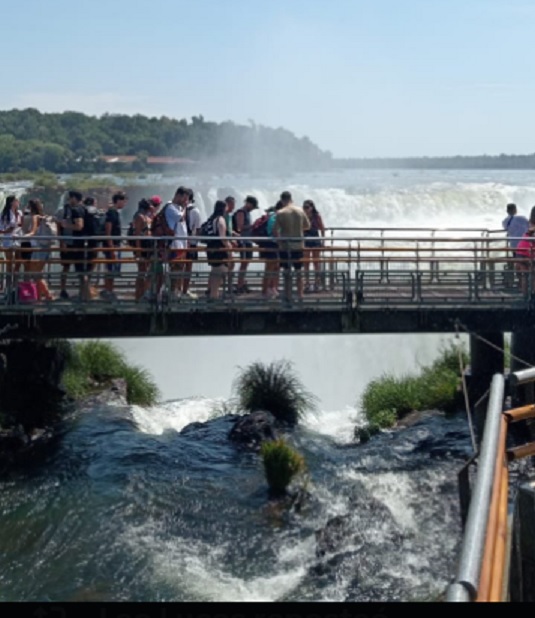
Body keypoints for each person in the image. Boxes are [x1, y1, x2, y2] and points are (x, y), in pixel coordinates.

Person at [274, 190, 310, 304]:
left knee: (287, 272)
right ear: (291, 199)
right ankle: (300, 295)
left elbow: (275, 230)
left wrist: (280, 241)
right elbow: (307, 226)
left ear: (282, 200)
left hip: (285, 246)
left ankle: (288, 296)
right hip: (298, 245)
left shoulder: (280, 213)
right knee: (299, 271)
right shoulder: (300, 210)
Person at [58, 190, 91, 301]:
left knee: (73, 269)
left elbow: (79, 226)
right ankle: (84, 294)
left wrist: (66, 225)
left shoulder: (76, 210)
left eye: (70, 197)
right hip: (77, 243)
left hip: (74, 244)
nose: (68, 199)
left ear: (74, 198)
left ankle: (84, 294)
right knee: (79, 270)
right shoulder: (83, 208)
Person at [20, 199, 54, 300]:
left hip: (38, 248)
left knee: (36, 274)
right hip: (44, 247)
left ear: (31, 207)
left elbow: (33, 232)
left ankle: (48, 296)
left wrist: (21, 237)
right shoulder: (42, 216)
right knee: (38, 273)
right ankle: (39, 297)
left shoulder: (35, 217)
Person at [162, 186, 189, 301]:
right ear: (178, 195)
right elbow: (181, 218)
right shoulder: (170, 207)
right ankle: (172, 292)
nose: (185, 201)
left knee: (180, 268)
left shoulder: (177, 207)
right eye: (184, 198)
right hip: (175, 244)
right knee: (175, 268)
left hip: (181, 244)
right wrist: (185, 208)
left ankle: (176, 291)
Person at [101, 191, 127, 301]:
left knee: (112, 269)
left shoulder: (115, 212)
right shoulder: (112, 213)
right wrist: (111, 248)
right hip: (111, 246)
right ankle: (108, 290)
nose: (125, 204)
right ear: (119, 201)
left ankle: (109, 289)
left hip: (115, 245)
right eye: (124, 201)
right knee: (110, 268)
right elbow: (108, 231)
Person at [205, 200, 232, 299]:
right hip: (219, 250)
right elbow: (222, 237)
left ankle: (212, 293)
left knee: (215, 270)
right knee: (220, 271)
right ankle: (214, 296)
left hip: (211, 248)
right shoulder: (220, 219)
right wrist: (229, 247)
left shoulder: (211, 219)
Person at [232, 195, 259, 293]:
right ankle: (239, 284)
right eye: (253, 206)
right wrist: (252, 226)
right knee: (243, 263)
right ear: (248, 203)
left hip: (248, 241)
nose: (252, 209)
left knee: (246, 263)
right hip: (243, 241)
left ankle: (242, 282)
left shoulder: (247, 213)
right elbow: (240, 227)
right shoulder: (241, 212)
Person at [131, 198, 154, 301]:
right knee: (141, 272)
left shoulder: (146, 216)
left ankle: (144, 293)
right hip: (142, 248)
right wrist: (138, 251)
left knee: (145, 271)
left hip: (147, 248)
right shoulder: (139, 217)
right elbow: (137, 235)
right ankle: (139, 295)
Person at [0, 195, 23, 291]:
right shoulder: (5, 214)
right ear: (11, 202)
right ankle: (8, 286)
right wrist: (6, 231)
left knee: (18, 261)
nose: (18, 202)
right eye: (16, 201)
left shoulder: (19, 212)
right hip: (8, 240)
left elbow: (21, 225)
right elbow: (2, 228)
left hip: (18, 239)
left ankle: (15, 283)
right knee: (10, 263)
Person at [182, 188, 202, 298]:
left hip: (179, 243)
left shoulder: (178, 209)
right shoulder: (195, 211)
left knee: (178, 267)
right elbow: (198, 229)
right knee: (188, 268)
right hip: (192, 243)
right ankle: (185, 290)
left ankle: (177, 289)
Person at [303, 199, 326, 292]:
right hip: (305, 239)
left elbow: (322, 228)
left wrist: (323, 241)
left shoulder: (317, 216)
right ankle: (307, 283)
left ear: (312, 208)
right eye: (304, 207)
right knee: (306, 262)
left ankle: (317, 282)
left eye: (307, 207)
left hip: (315, 239)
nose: (305, 209)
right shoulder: (302, 216)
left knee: (316, 262)